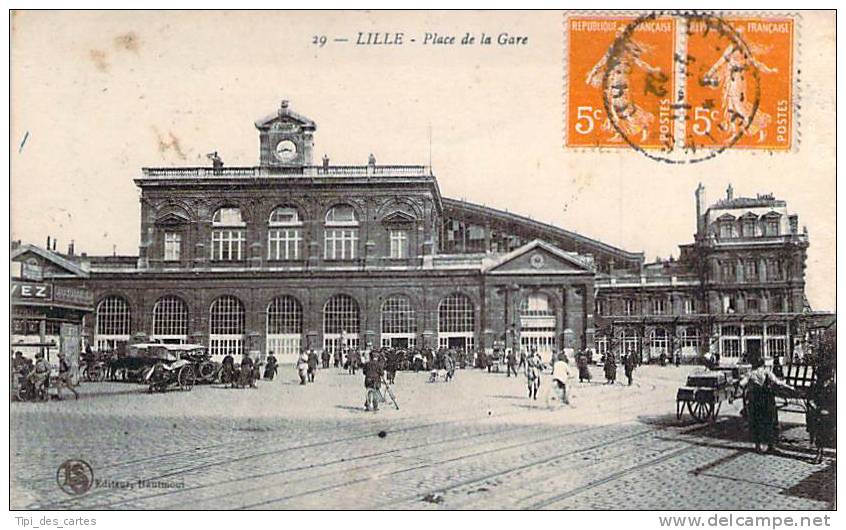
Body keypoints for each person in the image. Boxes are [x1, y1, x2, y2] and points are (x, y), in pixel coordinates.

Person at [738, 354, 794, 454]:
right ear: (763, 365)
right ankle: (771, 445)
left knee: (756, 422)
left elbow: (742, 384)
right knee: (770, 421)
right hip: (767, 400)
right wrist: (789, 387)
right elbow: (777, 382)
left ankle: (758, 446)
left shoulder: (751, 373)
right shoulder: (767, 372)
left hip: (756, 401)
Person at [806, 360, 835, 464]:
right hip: (819, 413)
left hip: (831, 414)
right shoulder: (816, 386)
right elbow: (810, 399)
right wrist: (815, 407)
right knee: (819, 433)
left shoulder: (833, 387)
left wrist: (829, 410)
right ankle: (819, 453)